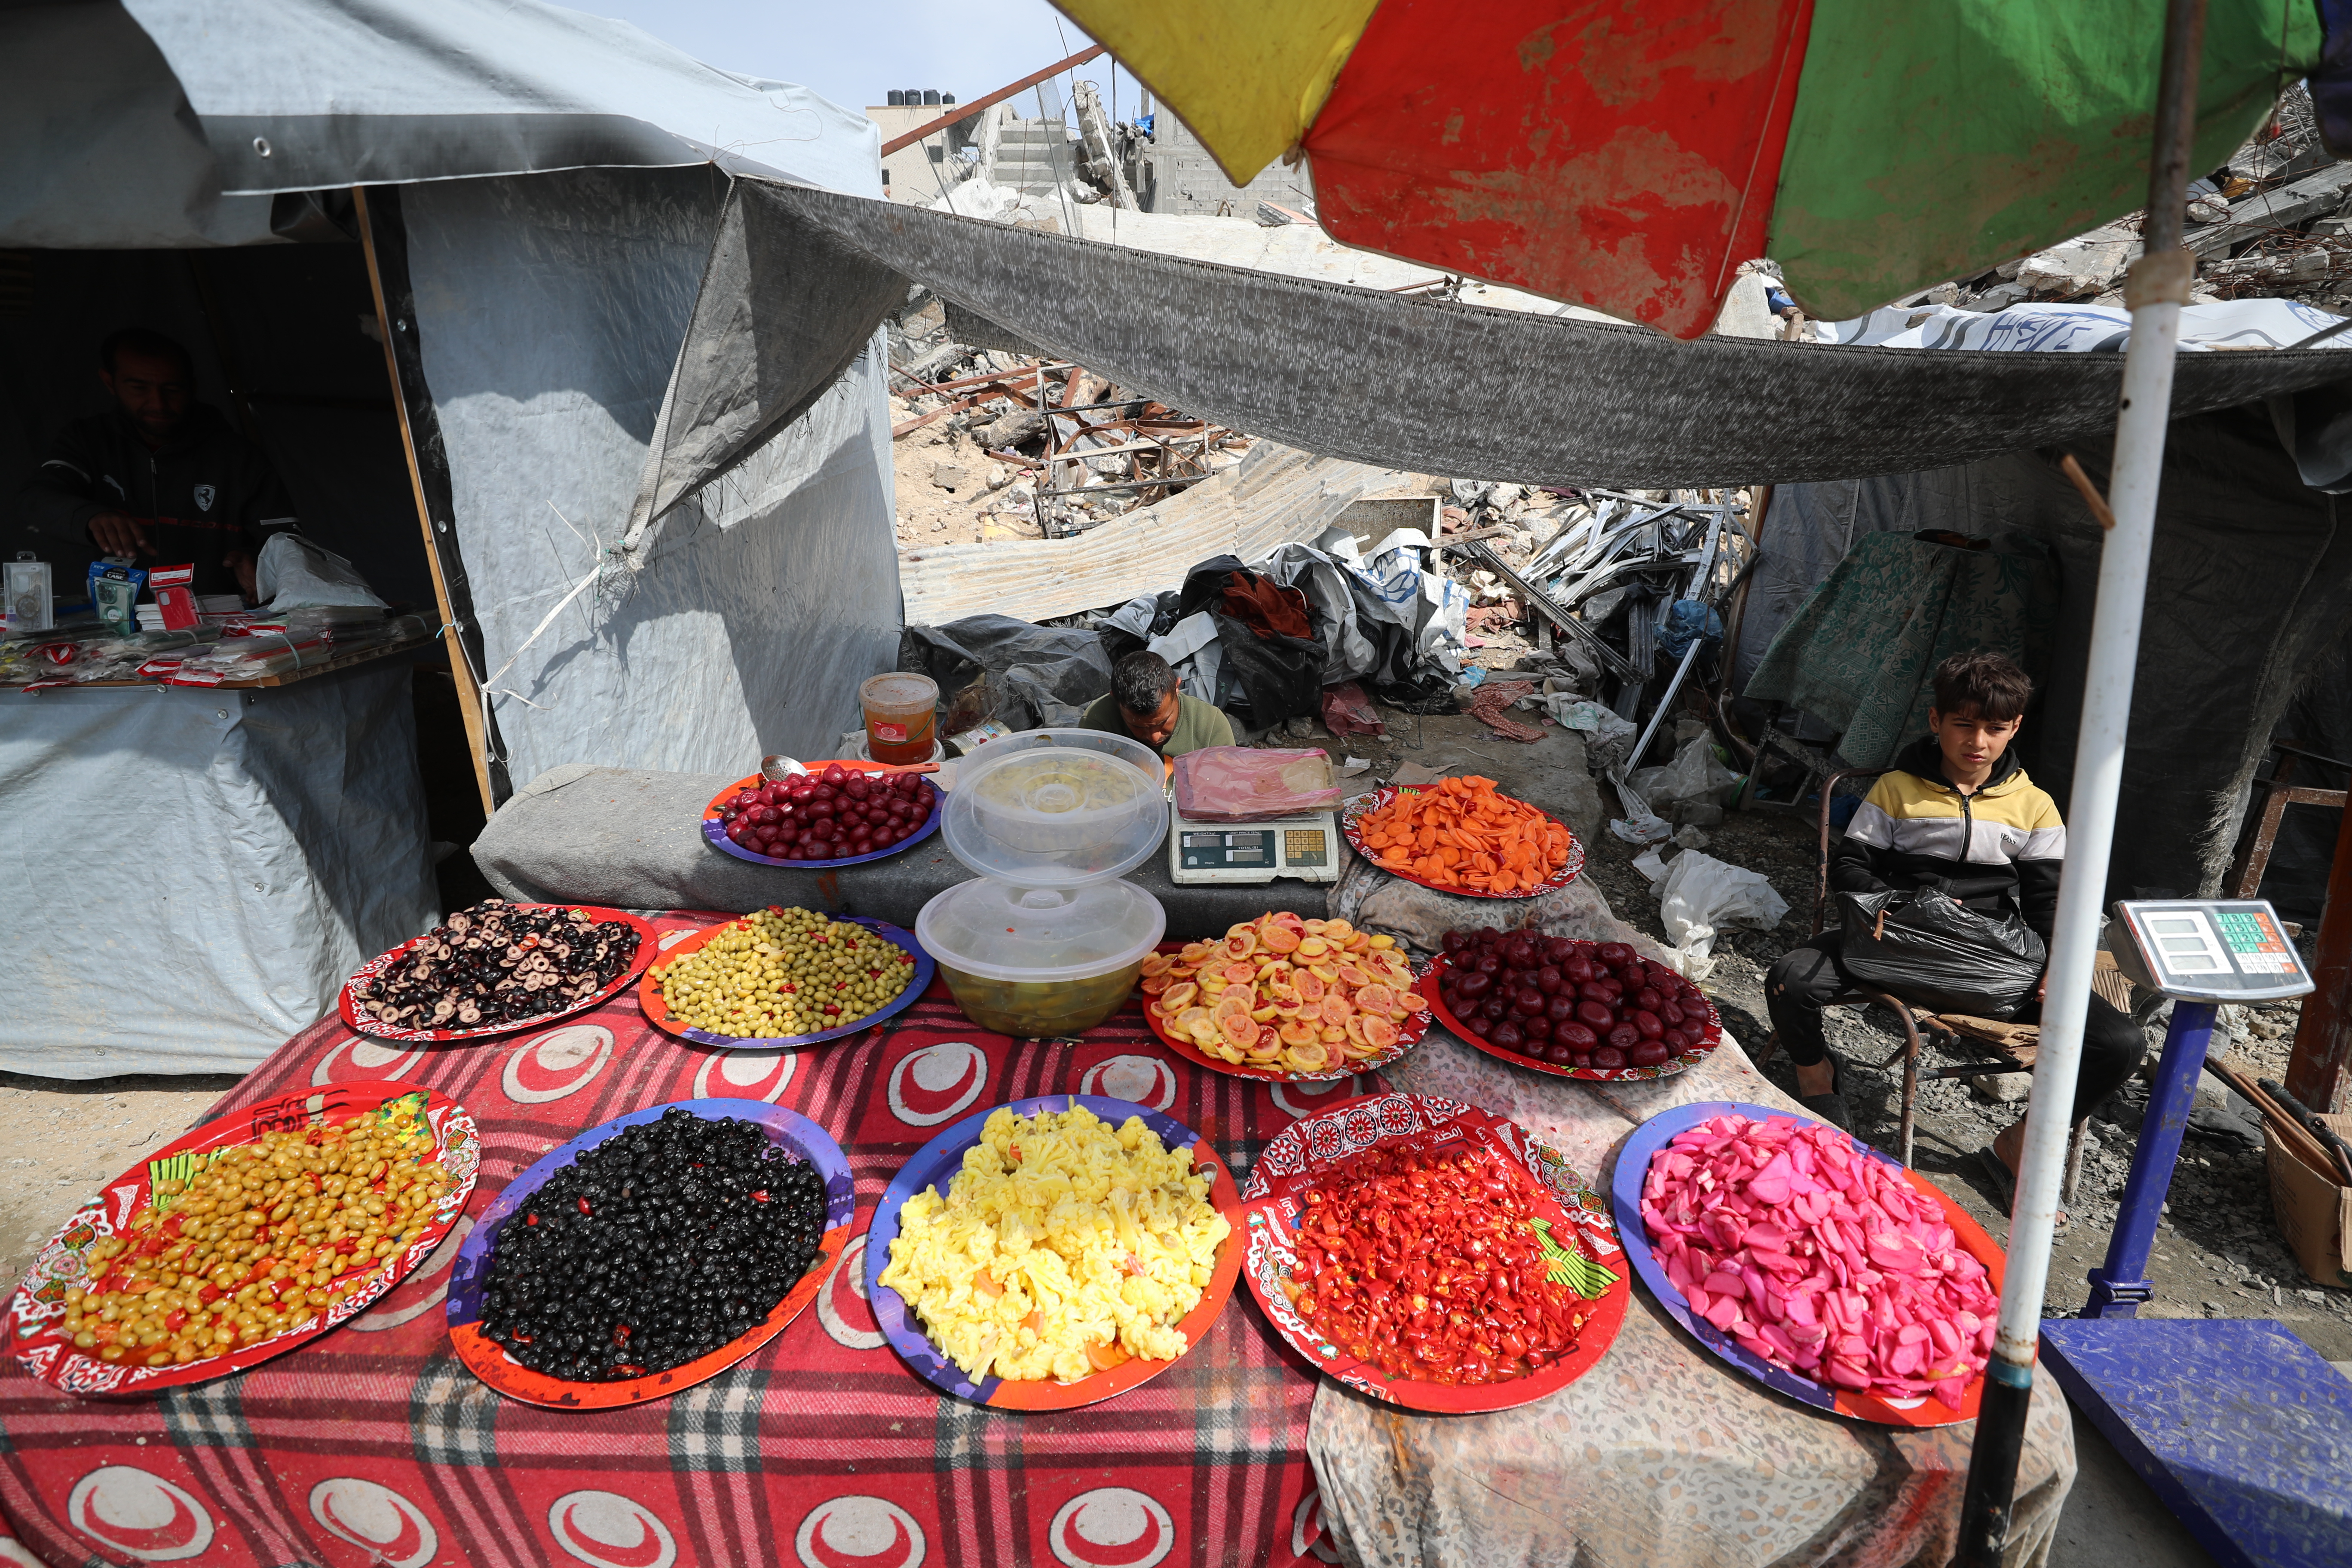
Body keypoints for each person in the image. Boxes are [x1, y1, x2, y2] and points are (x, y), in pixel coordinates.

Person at [1763, 649, 2144, 1210]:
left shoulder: (2035, 807)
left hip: (1987, 964)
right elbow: (1850, 866)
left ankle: (2020, 1143)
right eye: (1964, 724)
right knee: (1789, 979)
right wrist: (1886, 905)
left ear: (2015, 728)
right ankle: (1819, 1081)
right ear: (1936, 720)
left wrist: (2054, 967)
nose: (1978, 742)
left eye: (1995, 728)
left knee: (2120, 1042)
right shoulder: (1897, 789)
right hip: (1895, 945)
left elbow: (2051, 901)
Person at [17, 328, 297, 601]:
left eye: (172, 389)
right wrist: (90, 516)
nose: (158, 403)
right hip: (112, 627)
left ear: (193, 387)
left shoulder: (238, 457)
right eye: (139, 388)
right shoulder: (89, 441)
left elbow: (288, 542)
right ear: (109, 382)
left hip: (220, 630)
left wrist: (258, 561)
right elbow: (36, 498)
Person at [1079, 650, 1235, 758]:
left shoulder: (1210, 725)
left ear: (1177, 687)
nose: (1154, 738)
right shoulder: (1098, 723)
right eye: (1139, 727)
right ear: (1115, 699)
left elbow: (1229, 792)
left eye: (1163, 722)